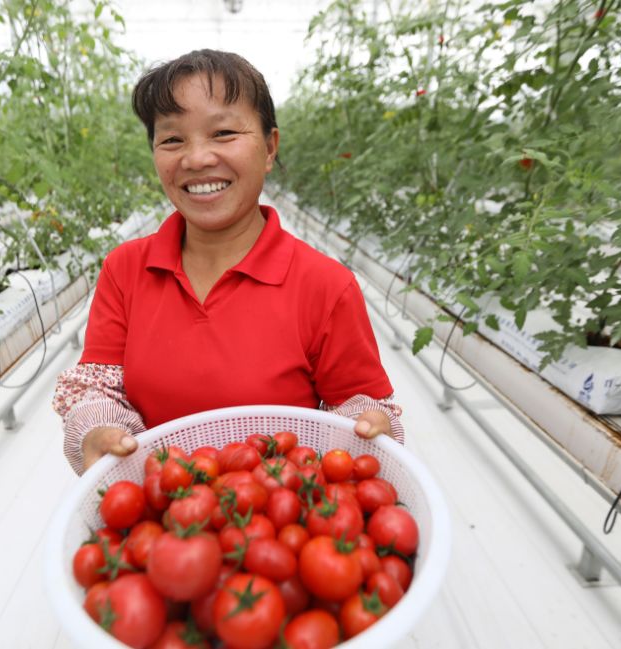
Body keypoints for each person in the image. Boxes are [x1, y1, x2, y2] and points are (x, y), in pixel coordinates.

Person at [53, 49, 403, 474]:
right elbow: (99, 388)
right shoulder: (125, 269)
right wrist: (98, 429)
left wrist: (365, 427)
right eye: (172, 139)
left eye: (222, 133)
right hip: (164, 505)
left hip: (281, 515)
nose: (197, 158)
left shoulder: (325, 284)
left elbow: (357, 404)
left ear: (270, 148)